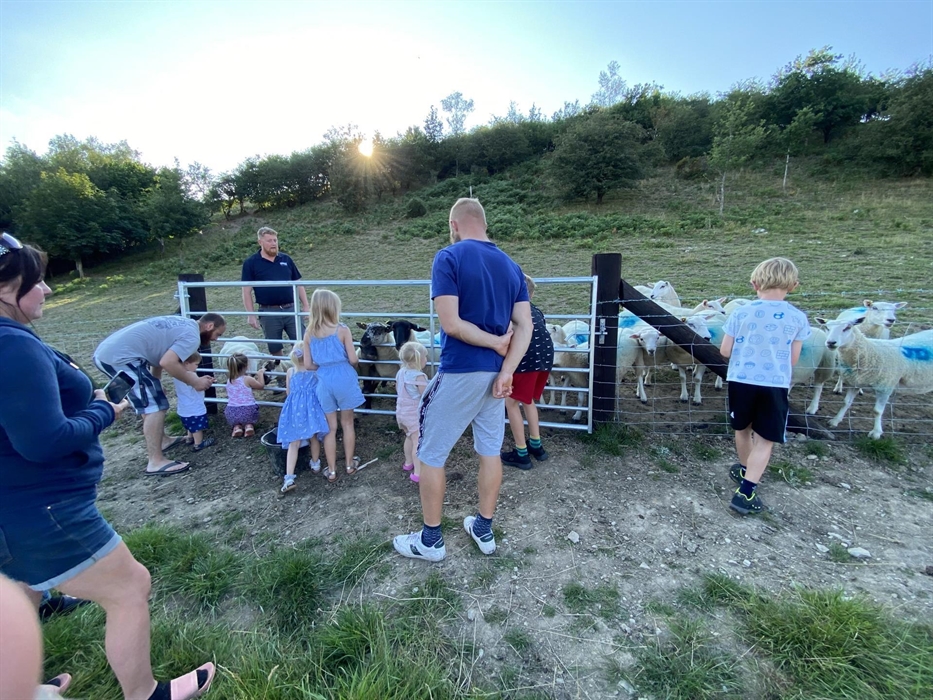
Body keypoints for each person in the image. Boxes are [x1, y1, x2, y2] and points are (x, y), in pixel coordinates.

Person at [0, 234, 215, 700]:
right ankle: (143, 692)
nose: (48, 290)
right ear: (4, 290)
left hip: (14, 504)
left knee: (20, 585)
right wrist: (102, 411)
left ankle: (17, 686)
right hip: (43, 507)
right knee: (130, 586)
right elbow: (44, 441)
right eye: (36, 282)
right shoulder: (10, 346)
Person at [392, 198, 532, 563]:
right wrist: (506, 369)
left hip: (460, 371)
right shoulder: (512, 266)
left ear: (454, 224)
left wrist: (493, 343)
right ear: (483, 223)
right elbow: (526, 326)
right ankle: (483, 528)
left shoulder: (448, 257)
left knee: (429, 453)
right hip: (496, 379)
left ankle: (431, 541)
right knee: (489, 450)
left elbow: (451, 324)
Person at [719, 257, 810, 515]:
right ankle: (746, 492)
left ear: (754, 283)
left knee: (742, 429)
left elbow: (725, 350)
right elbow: (793, 359)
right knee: (766, 439)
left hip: (741, 381)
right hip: (774, 384)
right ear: (793, 286)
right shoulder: (798, 318)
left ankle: (746, 471)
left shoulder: (741, 312)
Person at [93, 313, 226, 476]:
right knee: (154, 407)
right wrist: (194, 382)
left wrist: (156, 382)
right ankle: (155, 461)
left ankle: (163, 441)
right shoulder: (192, 337)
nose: (215, 339)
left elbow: (159, 358)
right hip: (121, 358)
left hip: (113, 353)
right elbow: (168, 362)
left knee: (154, 399)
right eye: (217, 334)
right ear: (209, 326)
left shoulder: (183, 323)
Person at [303, 288, 365, 483]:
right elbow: (354, 359)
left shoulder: (309, 333)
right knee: (347, 423)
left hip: (323, 380)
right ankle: (348, 464)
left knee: (330, 427)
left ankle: (331, 470)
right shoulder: (342, 330)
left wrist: (323, 365)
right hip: (344, 377)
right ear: (333, 307)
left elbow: (307, 364)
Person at [241, 226, 309, 385]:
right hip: (268, 311)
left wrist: (306, 305)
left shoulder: (286, 259)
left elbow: (298, 283)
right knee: (274, 347)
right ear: (260, 242)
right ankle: (282, 380)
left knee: (301, 342)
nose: (273, 243)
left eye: (275, 240)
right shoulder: (251, 263)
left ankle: (303, 375)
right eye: (269, 240)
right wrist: (250, 314)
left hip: (291, 309)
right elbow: (246, 291)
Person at [500, 274, 554, 470]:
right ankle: (536, 445)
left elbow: (506, 335)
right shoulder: (536, 310)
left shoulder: (510, 311)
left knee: (511, 403)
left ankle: (521, 453)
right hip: (544, 359)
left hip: (525, 361)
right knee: (528, 400)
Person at [276, 343, 328, 494]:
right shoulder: (315, 371)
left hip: (294, 410)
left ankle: (289, 477)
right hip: (311, 409)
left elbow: (288, 392)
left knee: (294, 441)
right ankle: (315, 463)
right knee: (313, 437)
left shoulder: (290, 371)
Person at [395, 341, 429, 484]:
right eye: (425, 357)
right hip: (413, 413)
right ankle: (418, 473)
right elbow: (425, 396)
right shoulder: (418, 377)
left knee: (409, 437)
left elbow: (398, 389)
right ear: (419, 359)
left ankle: (408, 463)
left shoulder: (401, 372)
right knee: (417, 441)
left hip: (401, 411)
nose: (427, 360)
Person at [172, 352, 215, 452]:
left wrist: (203, 379)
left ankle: (189, 438)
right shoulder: (191, 375)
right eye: (196, 364)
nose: (197, 367)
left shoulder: (177, 375)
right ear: (187, 363)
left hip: (183, 408)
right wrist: (208, 382)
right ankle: (198, 443)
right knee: (196, 427)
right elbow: (199, 386)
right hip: (194, 407)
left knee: (189, 425)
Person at [223, 353, 265, 438]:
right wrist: (260, 374)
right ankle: (249, 426)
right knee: (249, 416)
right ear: (246, 366)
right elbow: (261, 386)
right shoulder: (247, 379)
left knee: (237, 420)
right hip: (248, 411)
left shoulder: (229, 380)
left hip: (231, 413)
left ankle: (237, 427)